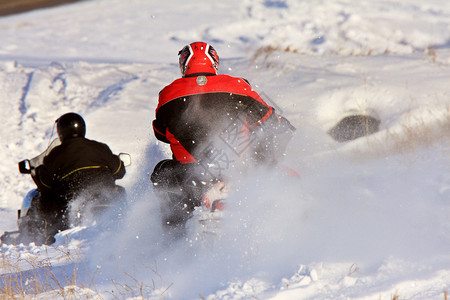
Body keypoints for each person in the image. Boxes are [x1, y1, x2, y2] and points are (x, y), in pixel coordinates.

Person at [151, 41, 295, 231]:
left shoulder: (168, 93)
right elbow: (268, 119)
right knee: (270, 171)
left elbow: (160, 133)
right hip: (236, 170)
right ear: (214, 62)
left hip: (190, 175)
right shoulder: (237, 86)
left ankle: (172, 237)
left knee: (161, 174)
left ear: (184, 64)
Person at [20, 112, 126, 245]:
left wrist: (39, 171)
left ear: (61, 132)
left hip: (71, 202)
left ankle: (46, 238)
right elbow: (119, 171)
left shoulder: (56, 154)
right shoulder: (100, 148)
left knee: (42, 198)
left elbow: (46, 184)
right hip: (105, 197)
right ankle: (128, 224)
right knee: (121, 191)